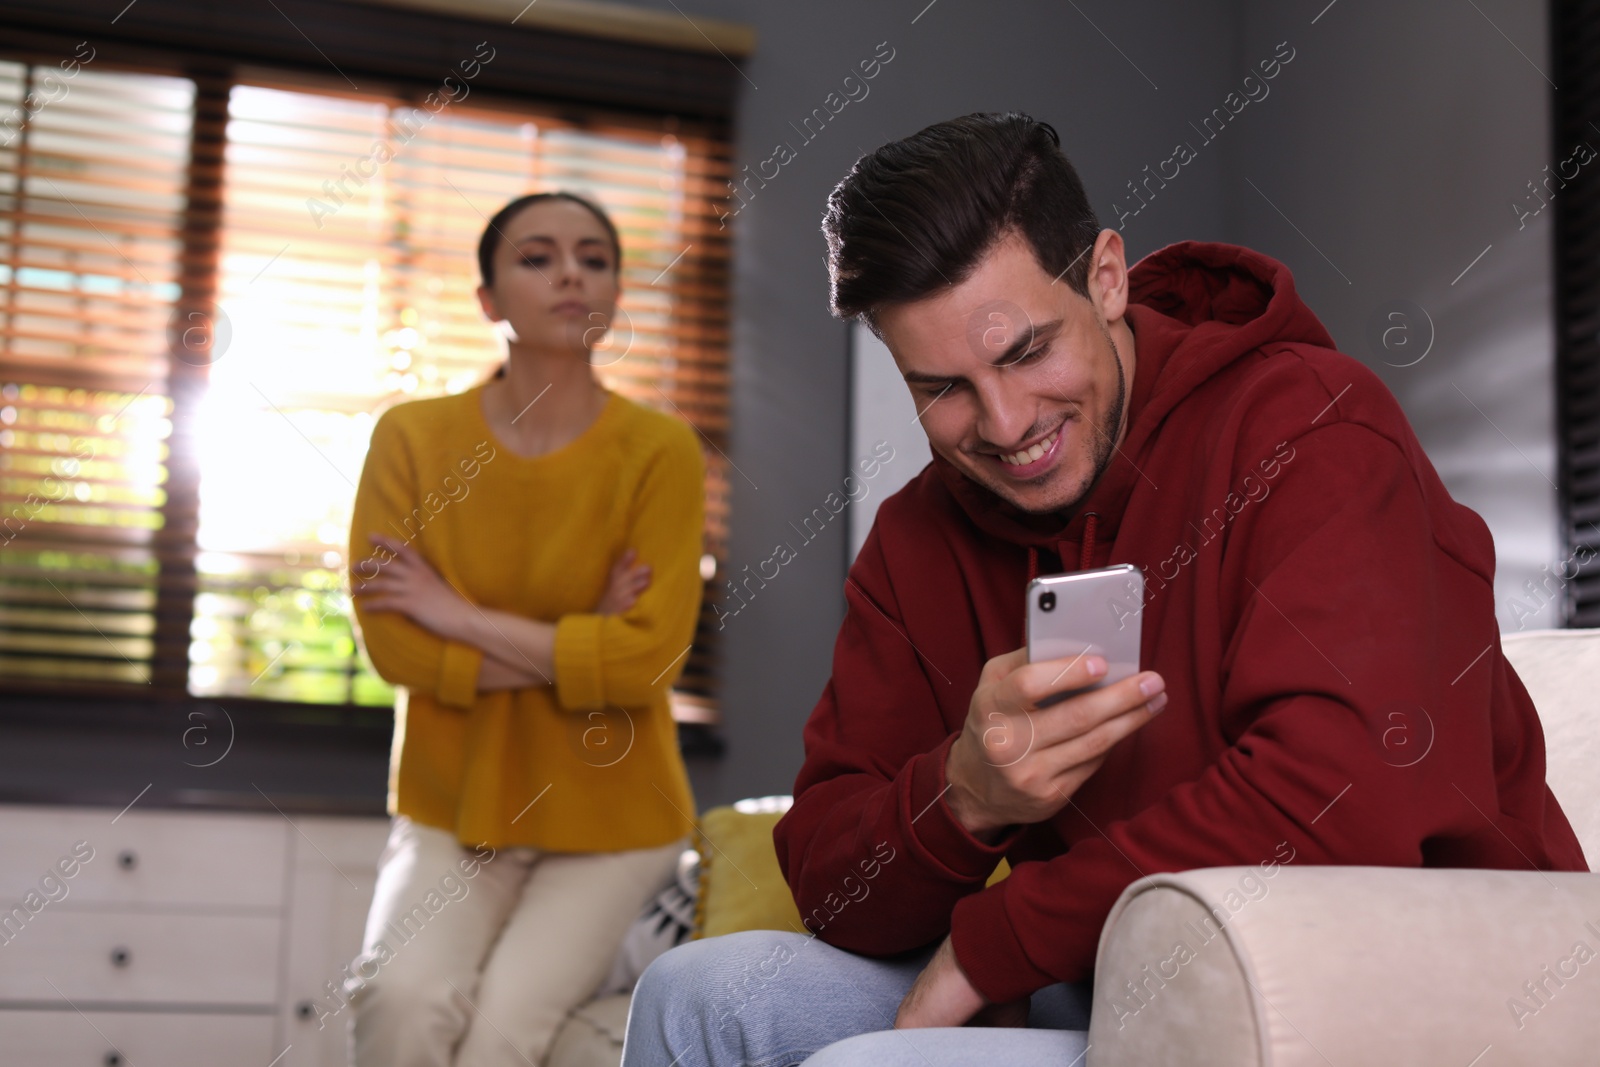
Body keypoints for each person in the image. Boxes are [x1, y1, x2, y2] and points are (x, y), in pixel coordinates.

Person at [621, 112, 1589, 1066]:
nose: (1003, 425)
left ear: (1108, 276)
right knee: (694, 996)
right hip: (1098, 975)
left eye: (1025, 351)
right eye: (940, 387)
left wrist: (996, 939)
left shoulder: (1315, 432)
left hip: (1373, 989)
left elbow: (1341, 790)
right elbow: (834, 883)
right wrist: (964, 798)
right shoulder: (919, 537)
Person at [345, 191, 707, 1067]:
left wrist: (458, 617)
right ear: (487, 299)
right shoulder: (411, 439)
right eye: (538, 257)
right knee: (401, 1000)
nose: (572, 273)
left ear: (617, 289)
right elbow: (397, 648)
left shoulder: (660, 451)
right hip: (454, 803)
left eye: (594, 257)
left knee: (501, 1037)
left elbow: (650, 661)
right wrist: (585, 643)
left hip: (617, 817)